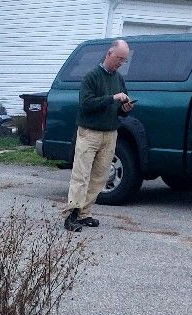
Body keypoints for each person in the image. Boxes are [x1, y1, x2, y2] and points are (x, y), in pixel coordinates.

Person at [63, 40, 133, 232]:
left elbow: (119, 108)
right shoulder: (91, 77)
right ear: (109, 53)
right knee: (81, 175)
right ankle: (71, 215)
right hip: (89, 132)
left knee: (100, 177)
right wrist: (112, 98)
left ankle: (84, 213)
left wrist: (125, 108)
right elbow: (86, 105)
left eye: (124, 60)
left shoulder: (119, 79)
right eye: (119, 58)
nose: (121, 63)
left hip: (110, 133)